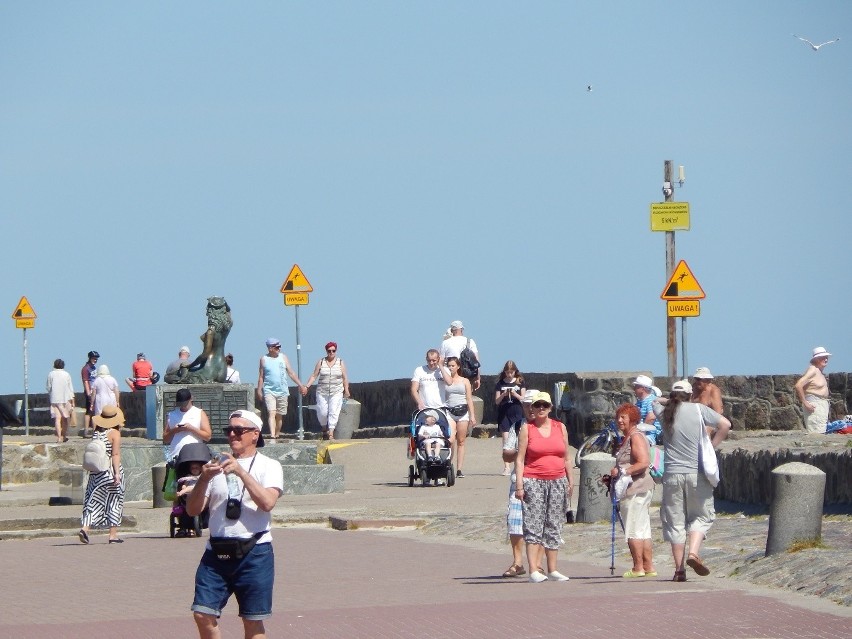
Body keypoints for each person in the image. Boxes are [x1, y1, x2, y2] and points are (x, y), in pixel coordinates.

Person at [186, 409, 284, 639]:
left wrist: (240, 472)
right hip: (216, 553)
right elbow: (192, 510)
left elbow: (268, 502)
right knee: (202, 614)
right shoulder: (214, 465)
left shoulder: (269, 466)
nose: (232, 434)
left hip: (255, 552)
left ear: (255, 434)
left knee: (252, 623)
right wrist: (203, 479)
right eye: (229, 430)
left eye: (239, 430)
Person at [655, 380, 731, 582]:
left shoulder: (664, 413)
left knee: (675, 521)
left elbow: (655, 400)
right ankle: (694, 553)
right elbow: (725, 425)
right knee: (702, 515)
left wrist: (669, 399)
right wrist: (712, 446)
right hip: (696, 472)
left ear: (672, 396)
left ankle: (679, 570)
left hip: (672, 474)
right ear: (690, 395)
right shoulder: (698, 410)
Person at [514, 391, 572, 583]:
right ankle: (533, 570)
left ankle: (553, 569)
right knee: (534, 524)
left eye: (544, 406)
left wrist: (570, 481)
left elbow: (567, 457)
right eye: (537, 405)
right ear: (532, 407)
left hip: (557, 480)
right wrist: (520, 484)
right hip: (534, 480)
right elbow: (520, 458)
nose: (540, 409)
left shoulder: (560, 427)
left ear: (550, 408)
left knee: (554, 523)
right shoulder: (527, 428)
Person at [607, 403, 656, 578]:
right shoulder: (629, 437)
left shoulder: (635, 436)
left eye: (623, 417)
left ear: (633, 419)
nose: (619, 420)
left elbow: (643, 462)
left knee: (634, 528)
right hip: (639, 488)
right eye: (618, 417)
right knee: (643, 528)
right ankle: (648, 566)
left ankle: (638, 567)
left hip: (636, 488)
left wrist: (622, 472)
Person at [501, 389, 540, 578]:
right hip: (520, 480)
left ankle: (538, 564)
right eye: (526, 405)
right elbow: (505, 454)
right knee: (515, 523)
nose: (530, 409)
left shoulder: (550, 427)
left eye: (533, 404)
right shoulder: (517, 426)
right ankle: (518, 562)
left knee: (539, 524)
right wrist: (521, 450)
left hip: (542, 479)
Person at [78, 405, 126, 545]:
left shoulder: (96, 432)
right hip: (109, 471)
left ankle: (85, 528)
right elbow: (115, 454)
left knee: (92, 500)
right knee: (114, 501)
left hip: (96, 472)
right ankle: (113, 535)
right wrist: (117, 474)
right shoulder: (115, 434)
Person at [257, 338, 306, 440]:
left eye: (279, 346)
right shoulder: (263, 359)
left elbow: (291, 373)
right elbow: (261, 376)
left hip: (282, 391)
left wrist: (300, 385)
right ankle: (272, 435)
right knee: (271, 412)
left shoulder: (283, 357)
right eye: (277, 347)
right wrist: (259, 390)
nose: (279, 349)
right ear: (270, 348)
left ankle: (277, 433)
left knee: (279, 415)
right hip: (269, 390)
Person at [305, 341, 351, 441]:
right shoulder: (321, 362)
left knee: (334, 411)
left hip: (337, 391)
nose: (331, 352)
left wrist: (346, 390)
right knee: (322, 413)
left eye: (333, 350)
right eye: (329, 351)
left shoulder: (340, 362)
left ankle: (331, 433)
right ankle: (324, 429)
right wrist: (307, 386)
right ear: (326, 351)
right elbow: (314, 376)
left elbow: (344, 377)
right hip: (322, 391)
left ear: (336, 351)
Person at [440, 356, 476, 478]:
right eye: (449, 365)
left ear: (458, 366)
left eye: (453, 365)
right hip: (449, 412)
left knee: (461, 441)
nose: (451, 368)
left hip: (463, 412)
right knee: (450, 440)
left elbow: (469, 399)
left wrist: (472, 416)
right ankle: (448, 465)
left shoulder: (465, 381)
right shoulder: (445, 380)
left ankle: (459, 469)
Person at [495, 361, 526, 475]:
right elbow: (497, 401)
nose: (509, 375)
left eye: (511, 372)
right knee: (506, 440)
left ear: (515, 371)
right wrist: (503, 394)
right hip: (504, 413)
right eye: (507, 372)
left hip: (517, 412)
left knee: (518, 440)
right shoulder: (500, 383)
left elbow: (524, 399)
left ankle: (517, 464)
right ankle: (506, 466)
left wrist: (515, 394)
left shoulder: (520, 382)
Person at [164, 388, 212, 460]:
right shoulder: (171, 415)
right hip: (176, 455)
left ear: (191, 399)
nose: (183, 406)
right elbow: (165, 439)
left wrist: (191, 428)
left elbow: (207, 437)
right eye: (181, 404)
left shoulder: (199, 413)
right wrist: (175, 430)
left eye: (185, 403)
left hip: (195, 455)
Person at [795, 347, 832, 435]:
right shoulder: (813, 370)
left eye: (826, 357)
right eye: (823, 357)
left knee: (821, 432)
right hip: (814, 404)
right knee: (816, 434)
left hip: (821, 405)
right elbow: (798, 385)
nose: (826, 359)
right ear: (816, 359)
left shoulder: (819, 371)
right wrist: (805, 402)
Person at [439, 320, 481, 390]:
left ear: (452, 330)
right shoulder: (470, 341)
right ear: (461, 329)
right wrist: (478, 378)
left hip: (450, 375)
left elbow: (441, 362)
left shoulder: (445, 343)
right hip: (467, 375)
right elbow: (476, 362)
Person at [46, 358, 75, 443]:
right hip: (65, 399)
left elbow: (48, 387)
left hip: (54, 399)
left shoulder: (51, 374)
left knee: (57, 419)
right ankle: (64, 436)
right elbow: (70, 388)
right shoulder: (66, 374)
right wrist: (73, 401)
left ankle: (58, 437)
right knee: (65, 419)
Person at [632, 375, 661, 445]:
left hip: (652, 435)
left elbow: (651, 417)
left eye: (636, 386)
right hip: (642, 433)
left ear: (643, 388)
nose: (634, 388)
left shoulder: (652, 400)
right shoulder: (639, 402)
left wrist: (640, 432)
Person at [80, 350, 99, 437]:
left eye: (96, 359)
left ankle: (95, 431)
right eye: (94, 358)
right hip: (90, 392)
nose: (95, 360)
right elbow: (86, 381)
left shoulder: (94, 368)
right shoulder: (85, 368)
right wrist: (88, 394)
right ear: (90, 358)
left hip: (95, 391)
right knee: (89, 411)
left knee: (95, 411)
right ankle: (86, 431)